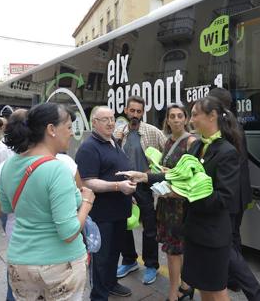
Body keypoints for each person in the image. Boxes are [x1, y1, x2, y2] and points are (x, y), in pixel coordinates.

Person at [0, 103, 94, 300]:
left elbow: (7, 207)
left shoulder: (9, 165)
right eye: (68, 127)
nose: (71, 133)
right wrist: (86, 202)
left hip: (20, 264)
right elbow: (68, 232)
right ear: (51, 129)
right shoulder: (57, 169)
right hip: (59, 266)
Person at [123, 103, 197, 301]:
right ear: (167, 120)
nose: (176, 119)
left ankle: (173, 294)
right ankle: (185, 286)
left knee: (174, 251)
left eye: (180, 116)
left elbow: (193, 175)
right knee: (176, 249)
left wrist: (167, 175)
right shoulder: (168, 142)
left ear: (186, 119)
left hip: (179, 203)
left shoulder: (190, 142)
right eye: (172, 116)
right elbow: (164, 170)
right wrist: (158, 172)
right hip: (165, 202)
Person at [208, 88, 260, 301]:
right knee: (233, 237)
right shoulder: (236, 125)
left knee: (228, 244)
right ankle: (232, 280)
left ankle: (253, 292)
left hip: (228, 196)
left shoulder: (221, 130)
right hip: (239, 194)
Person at [181, 96, 242, 301]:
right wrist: (147, 177)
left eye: (195, 114)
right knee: (202, 287)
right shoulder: (196, 146)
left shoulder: (227, 152)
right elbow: (180, 175)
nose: (191, 120)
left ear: (212, 115)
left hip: (212, 236)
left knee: (216, 291)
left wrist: (187, 192)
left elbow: (223, 198)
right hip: (194, 230)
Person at [76, 106, 137, 300]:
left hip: (119, 211)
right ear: (94, 123)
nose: (111, 122)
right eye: (105, 119)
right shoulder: (89, 147)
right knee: (100, 258)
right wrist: (119, 186)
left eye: (112, 118)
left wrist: (129, 191)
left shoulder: (112, 141)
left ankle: (111, 284)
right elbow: (87, 181)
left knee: (114, 253)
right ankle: (99, 295)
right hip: (101, 215)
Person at [116, 96, 166, 285]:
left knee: (149, 228)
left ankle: (151, 265)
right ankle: (129, 260)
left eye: (139, 111)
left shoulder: (152, 132)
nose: (135, 114)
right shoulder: (121, 133)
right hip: (124, 185)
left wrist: (156, 170)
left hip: (144, 186)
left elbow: (168, 152)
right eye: (132, 111)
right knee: (125, 225)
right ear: (126, 111)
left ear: (142, 113)